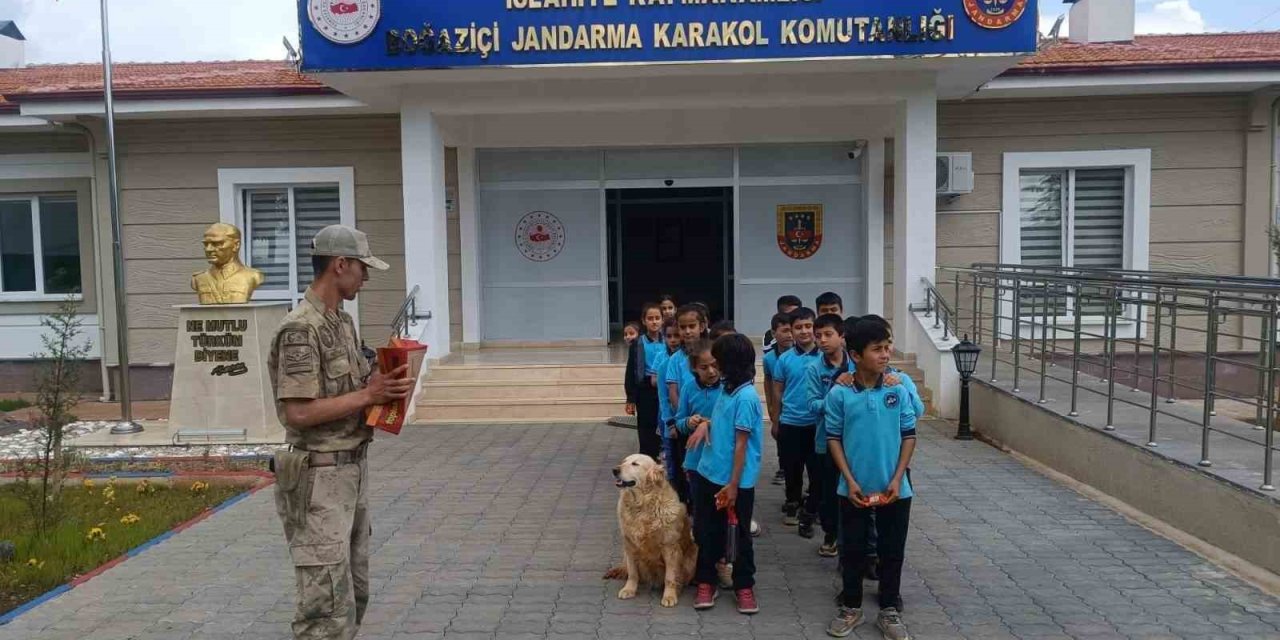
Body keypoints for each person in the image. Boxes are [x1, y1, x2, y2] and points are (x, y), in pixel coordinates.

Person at [267, 224, 415, 640]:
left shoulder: (342, 323)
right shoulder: (301, 329)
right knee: (325, 609)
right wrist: (369, 393)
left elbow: (354, 390)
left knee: (354, 594)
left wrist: (387, 377)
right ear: (340, 264)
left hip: (350, 472)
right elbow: (297, 412)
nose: (365, 278)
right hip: (318, 478)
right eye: (362, 269)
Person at [824, 320, 918, 640]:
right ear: (856, 354)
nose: (885, 354)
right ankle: (851, 606)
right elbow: (833, 438)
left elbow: (909, 435)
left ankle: (889, 610)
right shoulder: (840, 392)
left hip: (895, 488)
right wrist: (849, 480)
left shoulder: (898, 389)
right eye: (877, 349)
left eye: (887, 347)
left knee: (892, 551)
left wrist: (897, 478)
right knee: (852, 550)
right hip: (852, 488)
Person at [688, 333, 763, 614]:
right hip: (709, 474)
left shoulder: (746, 397)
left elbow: (741, 446)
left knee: (740, 534)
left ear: (730, 363)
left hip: (735, 482)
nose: (714, 366)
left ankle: (744, 586)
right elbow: (721, 423)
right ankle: (706, 581)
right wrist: (705, 425)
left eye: (718, 361)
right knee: (706, 531)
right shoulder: (726, 389)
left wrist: (733, 486)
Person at [803, 314, 855, 550]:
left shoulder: (856, 363)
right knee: (829, 492)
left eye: (828, 334)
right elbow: (813, 404)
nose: (822, 340)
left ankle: (855, 539)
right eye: (818, 336)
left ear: (842, 336)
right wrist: (836, 394)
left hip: (855, 440)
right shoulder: (814, 368)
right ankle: (831, 534)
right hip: (826, 440)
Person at [771, 307, 821, 527]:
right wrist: (776, 419)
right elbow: (777, 391)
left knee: (817, 469)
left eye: (808, 326)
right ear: (791, 331)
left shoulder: (824, 356)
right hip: (791, 422)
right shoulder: (785, 359)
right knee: (792, 468)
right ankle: (792, 503)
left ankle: (814, 507)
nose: (804, 331)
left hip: (817, 423)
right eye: (798, 327)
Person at [663, 305, 709, 504]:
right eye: (683, 327)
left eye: (692, 325)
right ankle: (692, 507)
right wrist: (682, 418)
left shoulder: (712, 352)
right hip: (687, 424)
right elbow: (673, 391)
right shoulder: (675, 360)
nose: (688, 331)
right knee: (689, 469)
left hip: (713, 423)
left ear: (703, 326)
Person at [624, 302, 665, 459]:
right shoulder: (638, 343)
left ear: (662, 320)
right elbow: (631, 371)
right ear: (644, 321)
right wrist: (630, 398)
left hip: (665, 388)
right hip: (645, 390)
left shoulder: (668, 340)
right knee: (646, 428)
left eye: (657, 318)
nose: (654, 321)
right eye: (650, 318)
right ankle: (647, 460)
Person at [762, 312, 793, 487]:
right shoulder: (769, 358)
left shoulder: (801, 356)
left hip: (795, 405)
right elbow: (767, 381)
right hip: (779, 404)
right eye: (784, 330)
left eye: (791, 330)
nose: (789, 335)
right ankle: (783, 468)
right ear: (774, 333)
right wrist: (771, 408)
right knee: (781, 437)